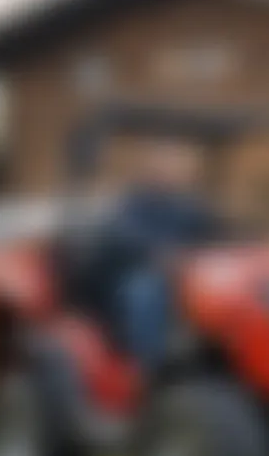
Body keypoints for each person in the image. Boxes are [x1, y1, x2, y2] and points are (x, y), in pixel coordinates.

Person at [96, 141, 226, 379]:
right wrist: (157, 253)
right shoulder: (135, 203)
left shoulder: (188, 206)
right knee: (143, 292)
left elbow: (212, 231)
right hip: (139, 270)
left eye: (174, 167)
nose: (168, 172)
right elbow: (123, 235)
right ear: (151, 170)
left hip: (187, 274)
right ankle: (145, 367)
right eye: (163, 166)